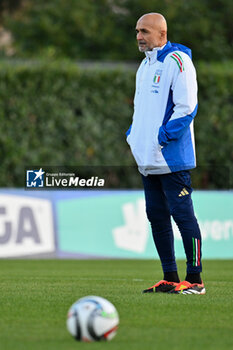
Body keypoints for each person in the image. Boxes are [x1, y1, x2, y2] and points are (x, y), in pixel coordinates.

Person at [126, 13, 205, 294]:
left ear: (162, 33)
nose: (139, 36)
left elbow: (187, 108)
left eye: (145, 31)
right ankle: (170, 278)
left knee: (183, 218)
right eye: (137, 31)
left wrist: (162, 139)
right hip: (147, 160)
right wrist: (134, 137)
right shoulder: (144, 66)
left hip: (171, 158)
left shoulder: (178, 61)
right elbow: (140, 112)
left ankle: (195, 280)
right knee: (156, 217)